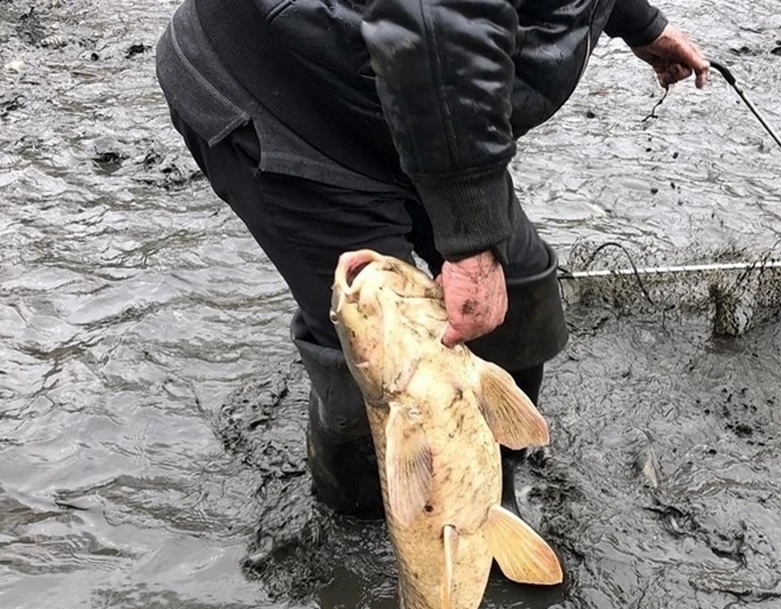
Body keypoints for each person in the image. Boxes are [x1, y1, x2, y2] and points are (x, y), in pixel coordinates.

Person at [155, 0, 708, 529]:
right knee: (379, 348)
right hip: (288, 98)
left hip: (414, 97)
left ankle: (492, 490)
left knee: (519, 285)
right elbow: (436, 20)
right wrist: (469, 240)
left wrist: (638, 22)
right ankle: (356, 518)